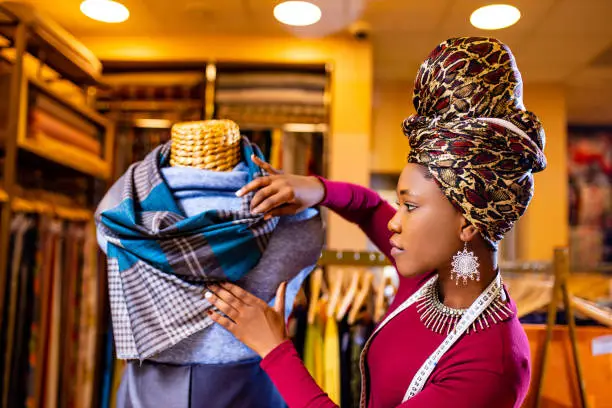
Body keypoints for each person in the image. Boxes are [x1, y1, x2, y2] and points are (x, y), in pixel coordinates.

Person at [205, 37, 547, 407]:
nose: (392, 224)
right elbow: (368, 206)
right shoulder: (428, 278)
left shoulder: (491, 364)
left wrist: (274, 349)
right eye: (398, 204)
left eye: (410, 207)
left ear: (467, 223)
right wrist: (314, 189)